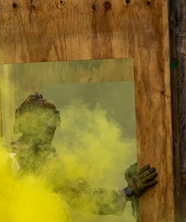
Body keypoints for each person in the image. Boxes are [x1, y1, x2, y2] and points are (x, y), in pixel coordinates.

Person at [9, 91, 157, 215]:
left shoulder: (0, 154)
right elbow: (85, 198)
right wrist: (129, 191)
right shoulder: (46, 161)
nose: (52, 130)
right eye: (51, 124)